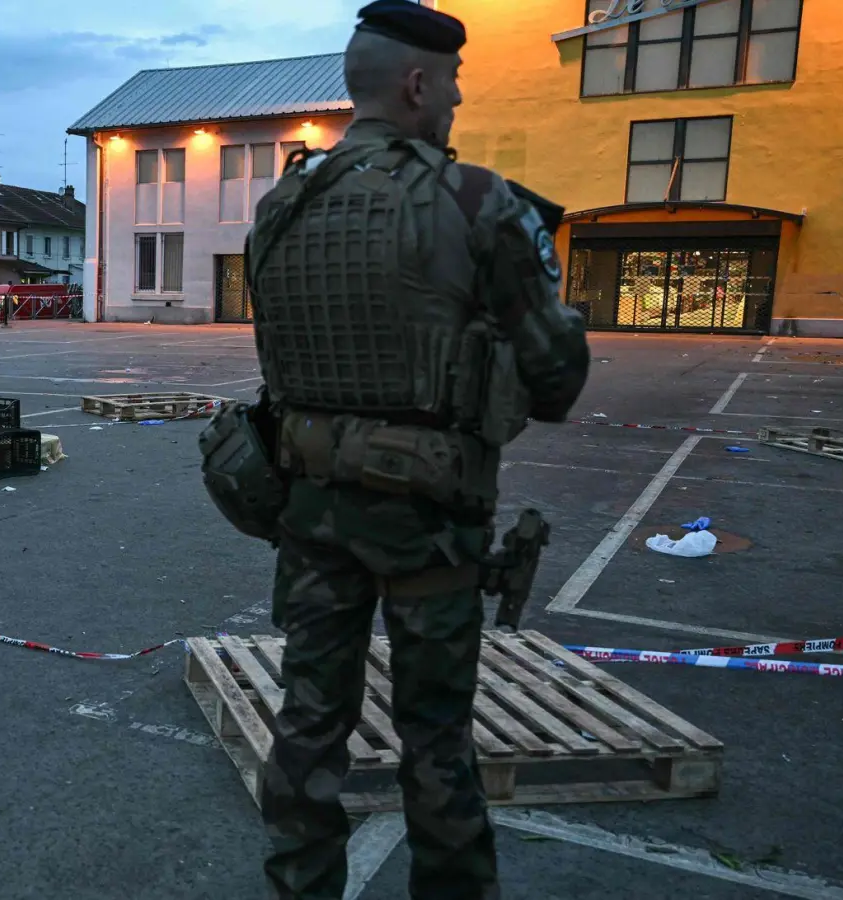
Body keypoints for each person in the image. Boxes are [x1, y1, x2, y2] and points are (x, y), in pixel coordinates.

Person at [230, 3, 592, 898]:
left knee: (308, 722)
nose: (458, 103)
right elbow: (557, 384)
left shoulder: (282, 205)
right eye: (455, 85)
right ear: (419, 83)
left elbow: (281, 365)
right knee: (435, 734)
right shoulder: (475, 201)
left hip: (311, 509)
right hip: (430, 520)